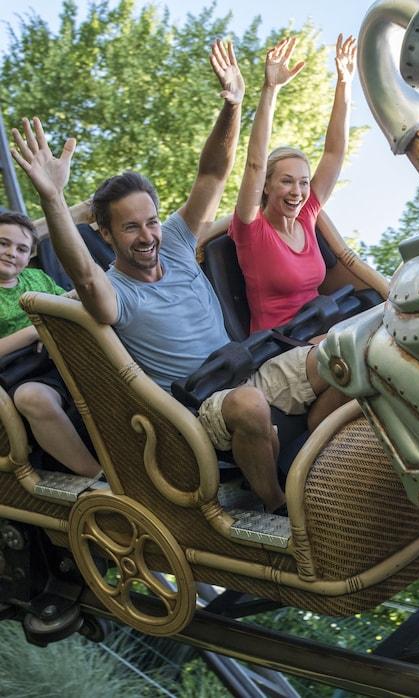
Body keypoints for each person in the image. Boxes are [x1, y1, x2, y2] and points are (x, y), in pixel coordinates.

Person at [10, 40, 338, 513]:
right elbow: (82, 274)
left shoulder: (180, 243)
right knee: (248, 408)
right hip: (195, 409)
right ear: (104, 232)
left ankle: (312, 463)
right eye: (130, 227)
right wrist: (53, 199)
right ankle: (275, 510)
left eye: (151, 222)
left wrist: (233, 104)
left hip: (248, 369)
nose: (146, 236)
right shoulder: (115, 293)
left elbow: (213, 172)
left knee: (343, 356)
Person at [229, 34, 356, 333]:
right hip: (279, 348)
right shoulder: (251, 228)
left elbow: (335, 152)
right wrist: (270, 89)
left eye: (303, 182)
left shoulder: (307, 216)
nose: (297, 192)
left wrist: (344, 82)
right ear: (266, 186)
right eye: (286, 182)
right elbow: (256, 162)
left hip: (322, 332)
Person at [0, 212, 101, 477]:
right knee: (32, 398)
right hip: (19, 374)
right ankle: (98, 478)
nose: (12, 252)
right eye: (3, 243)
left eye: (21, 248)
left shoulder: (37, 279)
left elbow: (67, 305)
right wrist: (35, 331)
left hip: (63, 357)